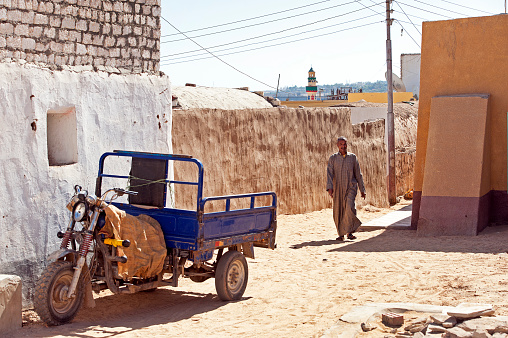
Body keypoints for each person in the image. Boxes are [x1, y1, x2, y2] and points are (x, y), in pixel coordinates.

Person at [326, 137, 366, 241]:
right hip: (338, 188)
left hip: (351, 187)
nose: (343, 146)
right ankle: (341, 234)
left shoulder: (352, 158)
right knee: (338, 210)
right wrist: (330, 188)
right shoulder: (333, 158)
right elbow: (329, 174)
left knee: (349, 207)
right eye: (341, 144)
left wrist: (362, 189)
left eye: (345, 144)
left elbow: (358, 174)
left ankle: (350, 232)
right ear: (337, 145)